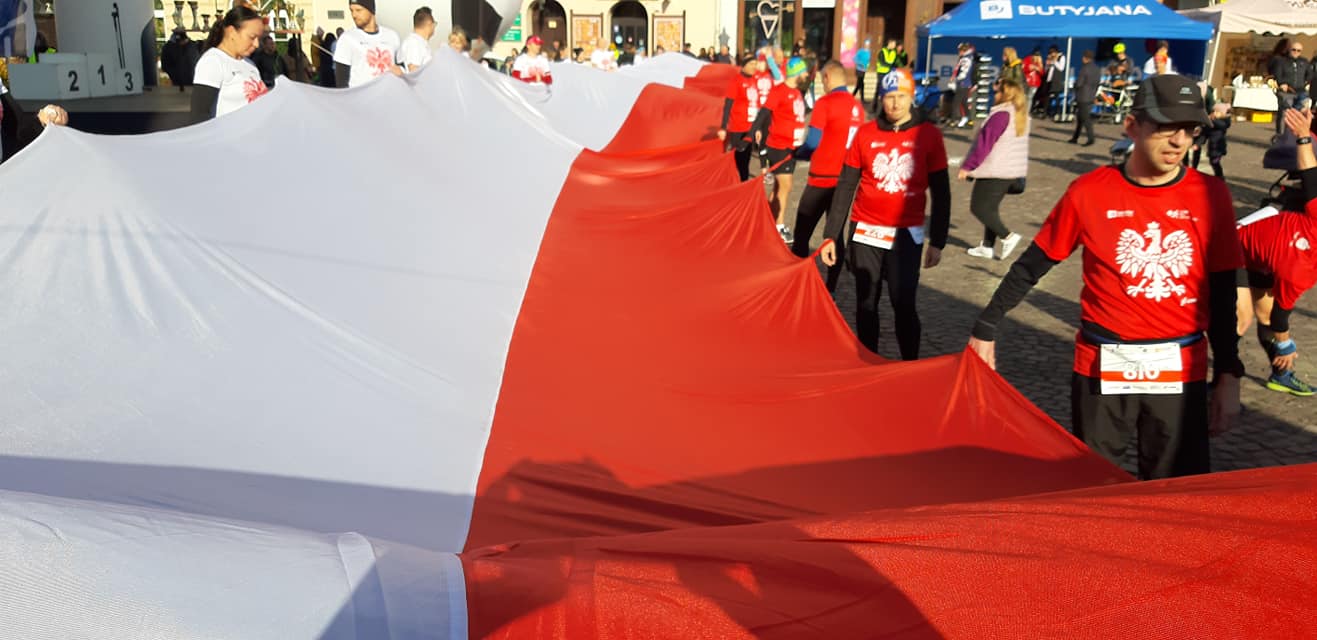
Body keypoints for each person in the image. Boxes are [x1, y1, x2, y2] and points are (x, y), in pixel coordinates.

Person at [968, 74, 1244, 480]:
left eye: (1189, 129)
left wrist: (1229, 374)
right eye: (1165, 127)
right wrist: (986, 326)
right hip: (1103, 363)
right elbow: (1033, 265)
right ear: (1132, 125)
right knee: (1094, 485)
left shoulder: (1211, 195)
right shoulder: (1089, 192)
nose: (1179, 141)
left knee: (1175, 493)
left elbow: (1222, 289)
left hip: (1180, 367)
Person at [820, 68, 951, 359]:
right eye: (890, 97)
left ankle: (909, 365)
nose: (895, 104)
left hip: (906, 234)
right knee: (866, 302)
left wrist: (938, 240)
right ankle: (869, 361)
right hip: (866, 231)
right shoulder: (865, 134)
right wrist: (831, 236)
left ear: (912, 96)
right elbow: (845, 186)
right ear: (881, 97)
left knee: (902, 303)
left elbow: (941, 192)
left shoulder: (928, 135)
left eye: (901, 96)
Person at [1235, 108, 1317, 397]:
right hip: (1232, 249)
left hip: (1261, 251)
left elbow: (1310, 176)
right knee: (1242, 318)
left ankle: (1281, 375)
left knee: (1266, 314)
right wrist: (1286, 344)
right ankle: (1221, 380)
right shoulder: (1302, 272)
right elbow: (1310, 176)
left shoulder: (1304, 265)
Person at [791, 60, 865, 290]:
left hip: (821, 179)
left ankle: (798, 283)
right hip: (845, 182)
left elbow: (813, 141)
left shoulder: (825, 103)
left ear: (826, 77)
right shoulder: (857, 107)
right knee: (835, 236)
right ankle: (831, 288)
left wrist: (798, 154)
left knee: (802, 234)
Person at [960, 78, 1029, 260]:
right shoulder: (1020, 115)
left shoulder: (1001, 115)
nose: (994, 95)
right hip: (1013, 171)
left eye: (997, 92)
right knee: (990, 208)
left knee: (979, 207)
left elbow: (984, 144)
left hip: (996, 170)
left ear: (1005, 95)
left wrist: (968, 167)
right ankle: (987, 246)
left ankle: (1007, 236)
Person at [750, 57, 809, 243]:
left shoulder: (797, 92)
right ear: (796, 73)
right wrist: (756, 130)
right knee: (786, 186)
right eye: (804, 71)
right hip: (779, 146)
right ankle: (779, 226)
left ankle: (766, 221)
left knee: (778, 188)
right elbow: (764, 112)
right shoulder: (780, 91)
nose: (807, 75)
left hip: (792, 147)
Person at [190, 6, 267, 123]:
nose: (256, 44)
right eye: (252, 37)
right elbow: (200, 113)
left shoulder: (249, 64)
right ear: (231, 31)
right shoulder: (213, 61)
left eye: (259, 39)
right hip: (226, 137)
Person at [333, 0, 403, 88]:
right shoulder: (347, 39)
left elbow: (402, 67)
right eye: (351, 10)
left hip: (388, 97)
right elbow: (341, 83)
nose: (354, 15)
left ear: (371, 10)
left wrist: (401, 72)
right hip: (361, 99)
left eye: (358, 10)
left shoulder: (392, 36)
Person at [719, 54, 762, 182]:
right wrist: (723, 127)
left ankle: (742, 185)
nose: (754, 67)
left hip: (750, 128)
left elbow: (757, 105)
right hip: (738, 127)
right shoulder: (736, 81)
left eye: (755, 64)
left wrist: (758, 128)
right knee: (738, 160)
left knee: (746, 160)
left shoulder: (755, 81)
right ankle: (734, 184)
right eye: (751, 64)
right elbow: (727, 105)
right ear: (743, 66)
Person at [1268, 39, 1311, 136]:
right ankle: (1281, 136)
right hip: (1286, 92)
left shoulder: (1304, 62)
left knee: (1301, 114)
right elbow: (1277, 74)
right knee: (1285, 114)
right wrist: (1282, 83)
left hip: (1301, 92)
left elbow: (1310, 74)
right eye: (1294, 50)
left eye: (1298, 50)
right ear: (1289, 50)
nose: (1296, 52)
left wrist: (1307, 82)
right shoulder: (1281, 61)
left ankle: (1296, 136)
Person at [1069, 50, 1100, 146]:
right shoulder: (1096, 68)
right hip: (1091, 95)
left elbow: (1079, 83)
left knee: (1085, 119)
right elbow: (1097, 82)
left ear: (1086, 58)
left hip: (1083, 96)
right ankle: (1075, 137)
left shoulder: (1084, 68)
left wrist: (1074, 86)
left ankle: (1091, 138)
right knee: (1080, 118)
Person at [399, 6, 436, 72]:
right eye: (434, 24)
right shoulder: (414, 43)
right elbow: (414, 72)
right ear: (429, 24)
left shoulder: (419, 43)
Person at [1202, 102, 1230, 178]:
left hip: (1218, 147)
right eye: (1213, 111)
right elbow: (1206, 132)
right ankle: (1218, 176)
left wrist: (1211, 120)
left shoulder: (1225, 121)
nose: (1214, 113)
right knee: (1212, 162)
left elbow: (1222, 125)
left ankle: (1220, 177)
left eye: (1217, 112)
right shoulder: (1214, 121)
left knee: (1215, 162)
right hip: (1212, 146)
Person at [953, 43, 976, 128]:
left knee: (956, 102)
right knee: (964, 102)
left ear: (963, 51)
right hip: (965, 83)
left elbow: (964, 72)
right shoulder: (967, 58)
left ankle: (954, 120)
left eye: (959, 51)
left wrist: (956, 79)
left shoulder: (966, 59)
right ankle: (969, 120)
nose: (958, 52)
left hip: (963, 83)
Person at [1024, 49, 1044, 113]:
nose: (1036, 57)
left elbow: (1042, 74)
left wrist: (1038, 68)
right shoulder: (1027, 59)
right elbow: (1023, 69)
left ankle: (1026, 112)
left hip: (1035, 83)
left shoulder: (1039, 62)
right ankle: (1022, 111)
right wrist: (1029, 68)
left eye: (1037, 56)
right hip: (1026, 81)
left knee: (1030, 97)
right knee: (1024, 96)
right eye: (1035, 55)